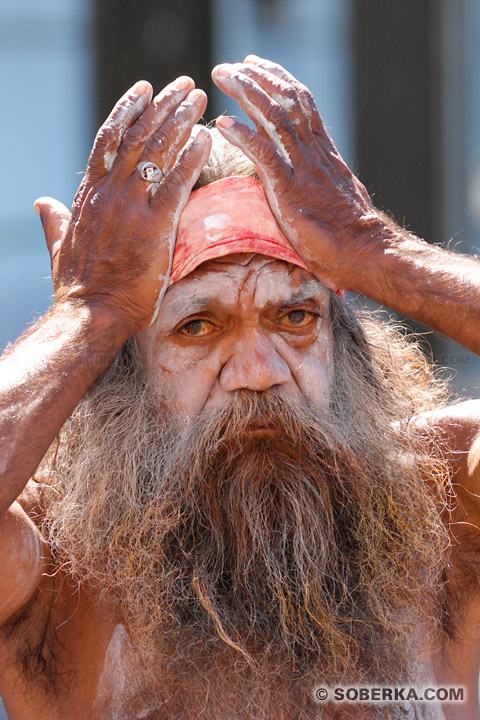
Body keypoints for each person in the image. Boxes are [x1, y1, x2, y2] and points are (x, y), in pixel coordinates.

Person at [0, 55, 479, 720]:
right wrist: (90, 310)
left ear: (346, 345)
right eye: (198, 326)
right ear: (123, 371)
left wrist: (379, 252)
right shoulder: (56, 567)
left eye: (295, 317)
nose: (259, 372)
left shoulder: (447, 505)